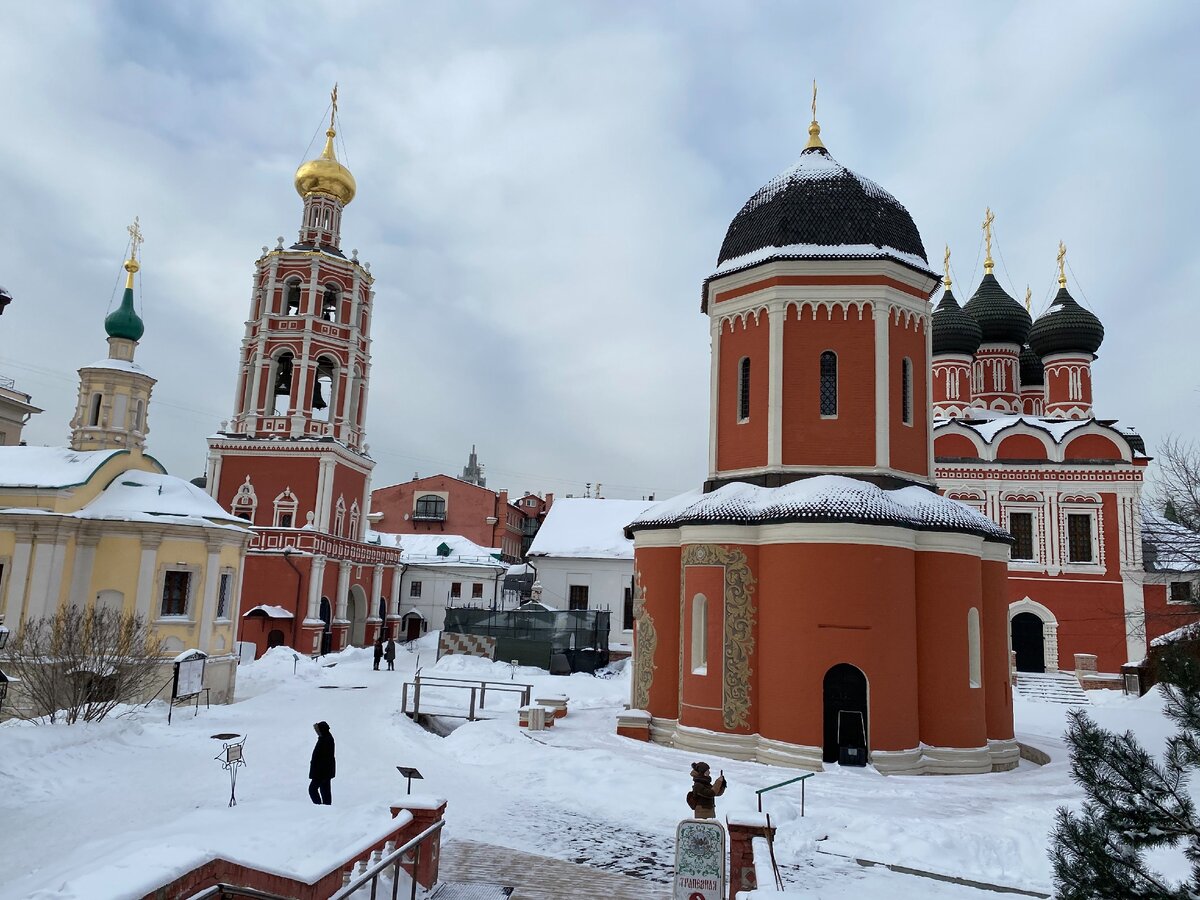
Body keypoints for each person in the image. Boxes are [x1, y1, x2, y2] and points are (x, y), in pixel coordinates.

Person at [308, 721, 335, 805]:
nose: (316, 731)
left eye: (318, 730)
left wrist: (321, 773)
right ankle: (326, 809)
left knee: (313, 789)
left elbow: (326, 758)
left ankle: (319, 807)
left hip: (322, 772)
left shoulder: (326, 740)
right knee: (325, 791)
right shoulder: (324, 738)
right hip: (324, 772)